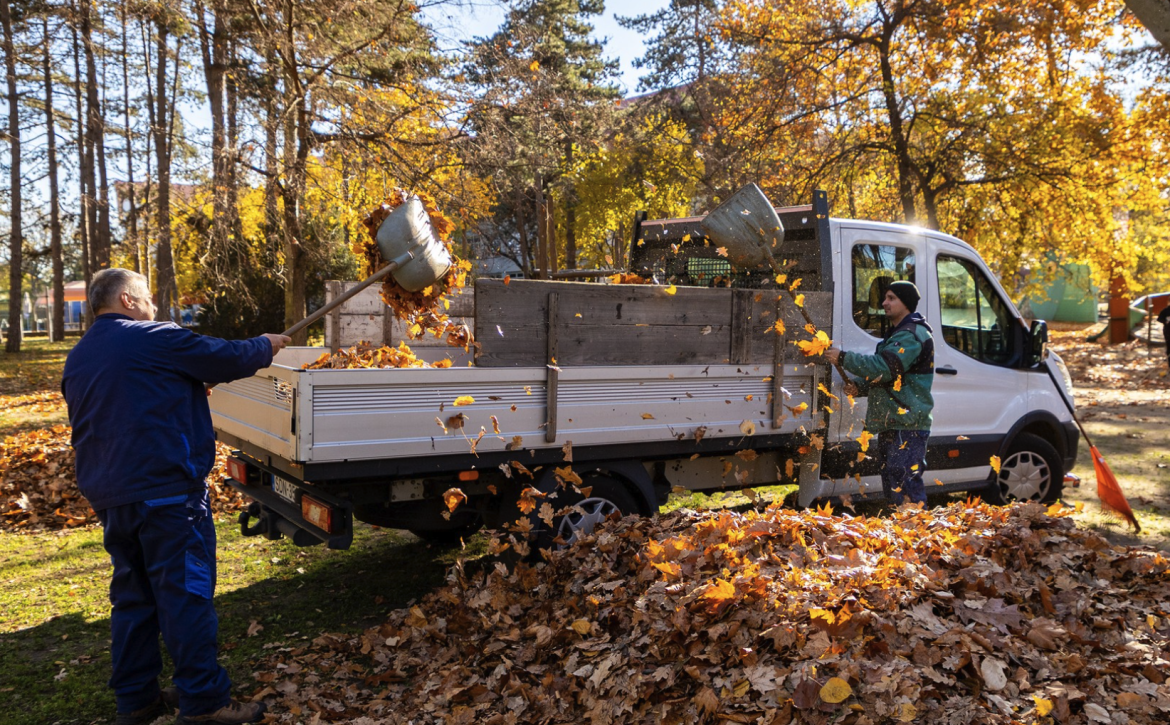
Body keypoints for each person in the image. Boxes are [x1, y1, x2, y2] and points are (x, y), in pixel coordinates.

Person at [61, 268, 290, 725]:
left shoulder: (80, 356)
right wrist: (266, 344)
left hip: (112, 495)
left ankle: (137, 700)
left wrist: (180, 386)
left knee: (134, 598)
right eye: (146, 298)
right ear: (126, 299)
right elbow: (223, 356)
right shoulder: (150, 337)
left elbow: (126, 401)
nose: (152, 307)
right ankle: (204, 703)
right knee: (185, 594)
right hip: (165, 494)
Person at [826, 280, 935, 506]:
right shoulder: (898, 334)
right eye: (885, 297)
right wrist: (861, 387)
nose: (884, 303)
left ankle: (915, 535)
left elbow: (884, 367)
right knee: (895, 489)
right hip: (894, 423)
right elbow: (892, 378)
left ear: (905, 303)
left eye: (891, 298)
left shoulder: (911, 335)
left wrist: (844, 358)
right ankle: (902, 535)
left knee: (905, 489)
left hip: (907, 426)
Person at [1158, 304, 1170, 373]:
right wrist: (1166, 321)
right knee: (1169, 348)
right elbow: (1160, 319)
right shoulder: (1165, 311)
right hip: (1168, 332)